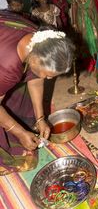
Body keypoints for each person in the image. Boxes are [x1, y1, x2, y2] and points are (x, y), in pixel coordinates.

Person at [0, 10, 75, 175]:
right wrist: (19, 132)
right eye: (48, 74)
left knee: (21, 96)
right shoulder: (8, 66)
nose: (48, 79)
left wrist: (41, 118)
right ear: (35, 58)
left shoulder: (39, 40)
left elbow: (35, 80)